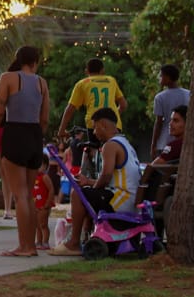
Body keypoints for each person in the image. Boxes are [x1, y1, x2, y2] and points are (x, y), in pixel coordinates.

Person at [47, 108, 140, 255]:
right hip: (130, 201)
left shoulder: (110, 145)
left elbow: (106, 175)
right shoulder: (126, 144)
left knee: (77, 195)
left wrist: (93, 187)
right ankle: (84, 236)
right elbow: (113, 180)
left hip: (120, 201)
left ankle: (73, 243)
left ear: (103, 124)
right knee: (86, 192)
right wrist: (89, 182)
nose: (94, 132)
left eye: (95, 127)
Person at [0, 45, 51, 257]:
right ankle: (30, 245)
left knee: (21, 195)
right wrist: (36, 137)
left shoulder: (8, 78)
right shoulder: (42, 83)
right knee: (29, 196)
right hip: (34, 136)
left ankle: (25, 247)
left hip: (15, 133)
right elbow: (45, 119)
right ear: (36, 61)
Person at [58, 57, 127, 144]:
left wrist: (61, 130)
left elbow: (70, 108)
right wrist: (113, 115)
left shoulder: (82, 84)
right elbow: (123, 105)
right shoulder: (111, 80)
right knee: (114, 153)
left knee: (94, 152)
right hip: (113, 125)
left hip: (94, 125)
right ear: (102, 70)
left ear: (86, 71)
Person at [139, 105, 187, 205]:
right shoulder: (189, 144)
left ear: (187, 124)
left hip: (160, 194)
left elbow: (153, 166)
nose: (170, 124)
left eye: (176, 121)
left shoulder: (175, 146)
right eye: (170, 120)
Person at [151, 64, 190, 157]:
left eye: (161, 75)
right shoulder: (188, 94)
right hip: (185, 142)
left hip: (165, 142)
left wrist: (153, 144)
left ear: (167, 77)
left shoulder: (160, 97)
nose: (159, 78)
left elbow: (159, 123)